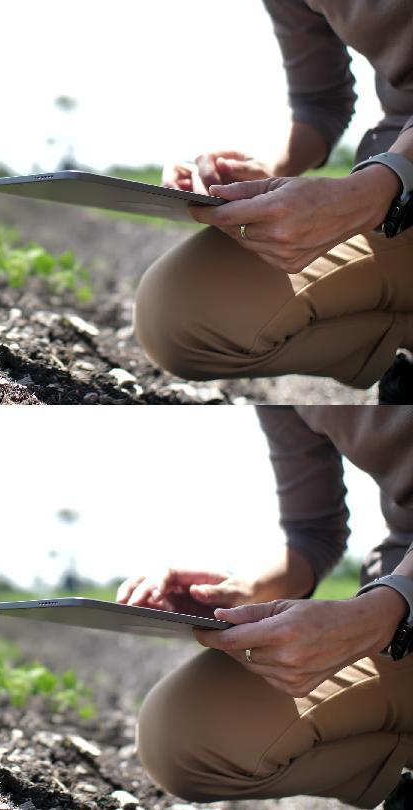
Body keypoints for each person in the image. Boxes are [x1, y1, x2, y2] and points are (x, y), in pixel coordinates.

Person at [120, 406, 413, 808]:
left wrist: (386, 607)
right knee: (183, 734)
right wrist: (241, 591)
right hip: (401, 622)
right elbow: (313, 532)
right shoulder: (292, 393)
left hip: (395, 606)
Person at [133, 1, 413, 403]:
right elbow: (320, 100)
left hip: (395, 179)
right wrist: (267, 168)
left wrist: (384, 182)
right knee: (180, 315)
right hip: (395, 190)